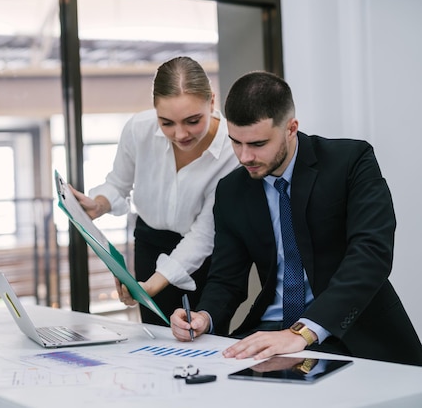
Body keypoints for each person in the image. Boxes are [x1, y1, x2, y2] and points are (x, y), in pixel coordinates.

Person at [171, 70, 422, 366]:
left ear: (291, 128)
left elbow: (371, 255)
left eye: (258, 144)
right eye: (236, 142)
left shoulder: (351, 162)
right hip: (269, 331)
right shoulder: (231, 190)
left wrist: (302, 332)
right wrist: (204, 317)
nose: (244, 156)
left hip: (348, 333)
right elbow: (226, 278)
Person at [71, 56, 239, 326]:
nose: (180, 134)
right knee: (155, 335)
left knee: (200, 333)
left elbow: (204, 235)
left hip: (207, 254)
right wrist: (99, 205)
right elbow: (118, 183)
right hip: (149, 243)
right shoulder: (139, 129)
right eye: (167, 123)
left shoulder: (232, 151)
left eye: (192, 121)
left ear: (211, 102)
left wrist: (150, 286)